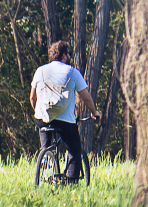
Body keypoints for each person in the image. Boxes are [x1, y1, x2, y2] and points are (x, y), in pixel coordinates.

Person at [30, 41, 101, 181]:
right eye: (69, 53)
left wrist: (40, 112)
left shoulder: (40, 70)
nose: (69, 56)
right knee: (74, 149)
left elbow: (32, 97)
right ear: (63, 56)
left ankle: (46, 157)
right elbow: (86, 98)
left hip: (42, 118)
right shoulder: (73, 72)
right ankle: (71, 181)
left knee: (45, 136)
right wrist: (94, 112)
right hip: (65, 121)